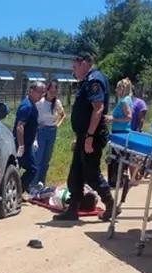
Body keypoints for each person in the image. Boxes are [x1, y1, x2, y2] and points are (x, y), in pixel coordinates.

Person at [54, 51, 116, 222]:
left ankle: (111, 204)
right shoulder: (86, 81)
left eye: (75, 67)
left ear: (84, 64)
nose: (72, 71)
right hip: (84, 135)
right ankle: (73, 208)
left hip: (93, 136)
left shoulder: (94, 80)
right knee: (76, 172)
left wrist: (89, 136)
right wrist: (80, 136)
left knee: (90, 172)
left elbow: (98, 109)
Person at [13, 81, 47, 193]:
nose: (41, 95)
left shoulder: (32, 105)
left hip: (28, 144)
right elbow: (20, 126)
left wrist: (35, 140)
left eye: (43, 93)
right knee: (19, 168)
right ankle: (16, 191)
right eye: (39, 92)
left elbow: (33, 125)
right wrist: (21, 146)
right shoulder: (26, 106)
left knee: (31, 169)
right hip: (21, 145)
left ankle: (18, 190)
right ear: (31, 91)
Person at [34, 79, 66, 188]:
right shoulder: (40, 102)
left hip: (52, 131)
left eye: (55, 92)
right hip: (41, 131)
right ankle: (33, 183)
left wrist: (57, 124)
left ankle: (41, 183)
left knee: (46, 159)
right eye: (51, 92)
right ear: (46, 91)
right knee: (38, 158)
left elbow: (63, 115)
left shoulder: (57, 103)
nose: (52, 94)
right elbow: (35, 116)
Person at [106, 78, 133, 194]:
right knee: (119, 158)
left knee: (115, 159)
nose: (116, 90)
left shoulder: (124, 101)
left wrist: (113, 119)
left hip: (120, 133)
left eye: (118, 88)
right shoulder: (126, 100)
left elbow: (129, 117)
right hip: (121, 132)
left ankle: (115, 182)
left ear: (123, 89)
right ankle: (118, 181)